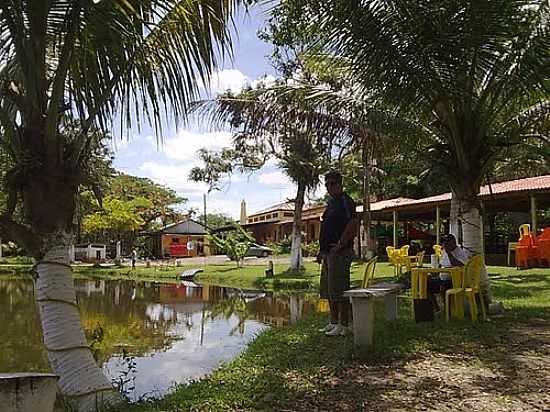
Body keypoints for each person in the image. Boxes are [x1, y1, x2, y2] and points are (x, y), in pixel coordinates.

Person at [317, 170, 358, 337]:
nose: (329, 187)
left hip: (340, 253)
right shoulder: (331, 203)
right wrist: (322, 251)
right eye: (326, 184)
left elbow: (354, 223)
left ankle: (344, 324)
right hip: (328, 253)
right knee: (329, 290)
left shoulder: (346, 202)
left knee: (340, 289)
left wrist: (341, 244)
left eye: (332, 184)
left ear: (340, 184)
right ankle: (333, 322)